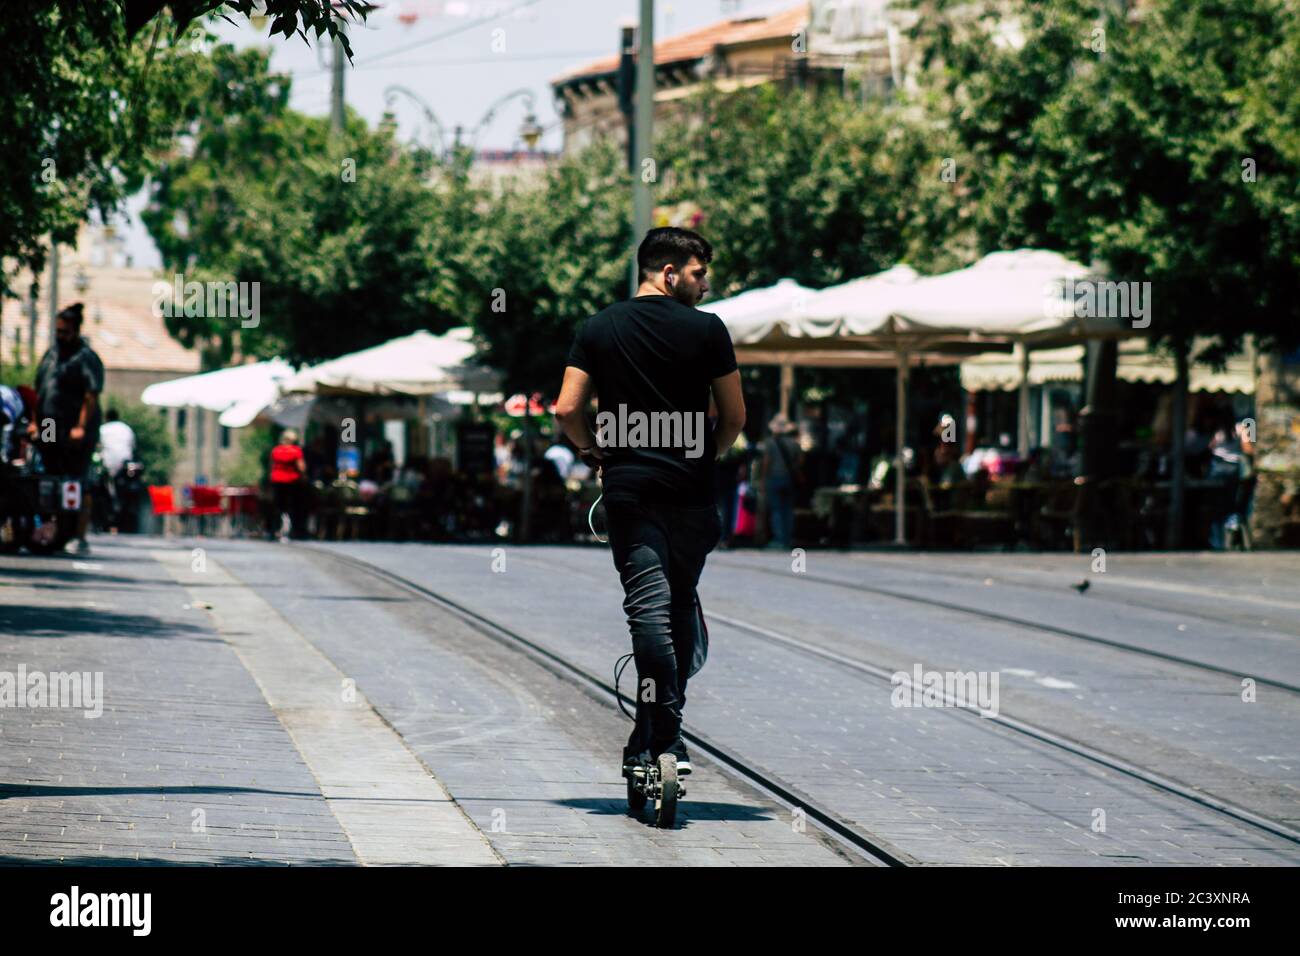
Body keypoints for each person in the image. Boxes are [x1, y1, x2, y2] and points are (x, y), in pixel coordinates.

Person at [555, 226, 746, 778]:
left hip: (629, 491)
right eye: (698, 273)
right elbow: (734, 418)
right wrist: (704, 457)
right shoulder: (708, 331)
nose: (705, 284)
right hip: (690, 493)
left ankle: (657, 731)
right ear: (669, 273)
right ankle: (666, 732)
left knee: (647, 610)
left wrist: (597, 453)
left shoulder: (598, 328)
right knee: (680, 602)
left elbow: (567, 410)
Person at [30, 303, 104, 554]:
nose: (61, 337)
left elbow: (90, 395)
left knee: (76, 479)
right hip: (49, 424)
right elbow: (39, 392)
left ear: (76, 330)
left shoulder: (86, 358)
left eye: (65, 332)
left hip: (75, 427)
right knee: (50, 475)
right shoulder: (51, 355)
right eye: (58, 331)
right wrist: (34, 422)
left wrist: (81, 427)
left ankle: (79, 536)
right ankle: (52, 530)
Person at [758, 414, 803, 551]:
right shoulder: (794, 443)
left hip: (774, 478)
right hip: (789, 478)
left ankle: (779, 539)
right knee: (788, 510)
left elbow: (766, 462)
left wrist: (763, 479)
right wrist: (794, 468)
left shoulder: (770, 443)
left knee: (776, 509)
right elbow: (801, 460)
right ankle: (787, 539)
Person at [97, 408, 137, 533]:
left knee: (102, 493)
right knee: (124, 494)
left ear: (106, 417)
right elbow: (133, 446)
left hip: (107, 464)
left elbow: (98, 445)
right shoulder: (126, 429)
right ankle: (122, 523)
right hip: (125, 465)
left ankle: (106, 522)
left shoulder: (103, 429)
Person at [269, 428, 306, 541]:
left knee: (277, 507)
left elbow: (271, 466)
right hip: (291, 481)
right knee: (293, 506)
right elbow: (301, 467)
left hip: (277, 480)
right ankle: (295, 531)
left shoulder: (276, 450)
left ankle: (275, 530)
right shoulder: (296, 451)